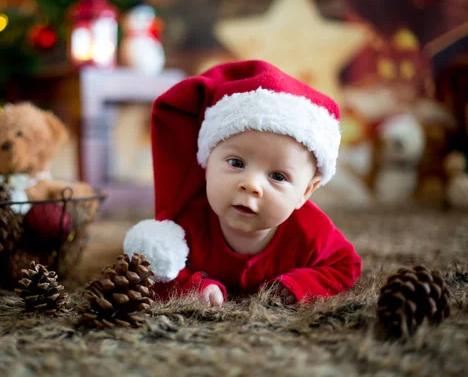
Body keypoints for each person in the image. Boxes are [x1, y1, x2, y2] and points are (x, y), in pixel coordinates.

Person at [123, 60, 362, 307]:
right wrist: (192, 286)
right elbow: (159, 270)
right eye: (236, 163)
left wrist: (303, 283)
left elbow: (346, 266)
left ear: (306, 191)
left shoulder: (311, 231)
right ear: (206, 163)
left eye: (278, 176)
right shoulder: (189, 223)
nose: (251, 185)